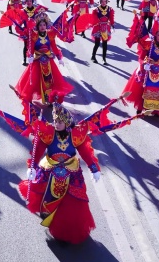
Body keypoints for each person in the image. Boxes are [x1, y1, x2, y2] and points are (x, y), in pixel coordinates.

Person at [18, 102, 101, 244]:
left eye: (59, 122)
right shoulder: (48, 132)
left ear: (67, 123)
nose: (56, 124)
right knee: (44, 194)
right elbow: (37, 150)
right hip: (50, 168)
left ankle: (65, 228)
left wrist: (94, 169)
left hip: (71, 171)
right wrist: (31, 166)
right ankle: (48, 214)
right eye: (55, 121)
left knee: (72, 201)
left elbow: (85, 153)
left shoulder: (76, 135)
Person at [122, 21, 159, 115]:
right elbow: (141, 57)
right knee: (144, 87)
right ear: (155, 35)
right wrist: (142, 66)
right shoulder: (148, 44)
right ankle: (141, 107)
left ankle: (156, 110)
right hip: (148, 67)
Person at [15, 12, 73, 105]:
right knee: (34, 81)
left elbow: (54, 47)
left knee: (50, 81)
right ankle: (29, 97)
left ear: (46, 25)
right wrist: (29, 56)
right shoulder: (34, 35)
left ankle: (50, 99)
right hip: (37, 61)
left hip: (48, 61)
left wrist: (59, 58)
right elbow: (31, 48)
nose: (42, 26)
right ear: (37, 26)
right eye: (40, 25)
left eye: (44, 25)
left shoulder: (50, 35)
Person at [89, 0, 115, 65]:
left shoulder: (110, 9)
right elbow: (93, 19)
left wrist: (112, 24)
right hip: (98, 28)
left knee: (105, 44)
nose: (104, 3)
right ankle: (93, 56)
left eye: (105, 1)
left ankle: (104, 59)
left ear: (107, 1)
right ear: (100, 1)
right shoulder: (96, 10)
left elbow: (111, 18)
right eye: (102, 1)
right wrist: (97, 22)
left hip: (105, 28)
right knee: (97, 44)